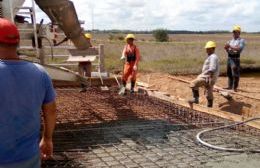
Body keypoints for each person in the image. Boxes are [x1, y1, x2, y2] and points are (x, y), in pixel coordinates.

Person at [0, 18, 56, 168]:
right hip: (29, 158)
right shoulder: (40, 73)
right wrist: (47, 138)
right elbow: (50, 111)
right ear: (18, 43)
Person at [188, 41, 220, 108]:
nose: (207, 50)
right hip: (210, 78)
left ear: (213, 49)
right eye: (207, 48)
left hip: (207, 77)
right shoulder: (212, 56)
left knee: (193, 83)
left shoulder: (213, 57)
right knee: (209, 92)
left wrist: (209, 78)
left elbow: (212, 68)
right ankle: (209, 107)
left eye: (208, 48)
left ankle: (196, 99)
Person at [224, 25, 245, 92]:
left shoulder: (241, 40)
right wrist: (226, 48)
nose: (234, 33)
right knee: (229, 73)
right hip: (229, 57)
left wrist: (230, 46)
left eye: (236, 32)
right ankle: (230, 86)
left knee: (235, 74)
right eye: (234, 32)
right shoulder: (231, 41)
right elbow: (227, 49)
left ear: (239, 33)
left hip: (235, 58)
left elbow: (239, 49)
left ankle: (234, 88)